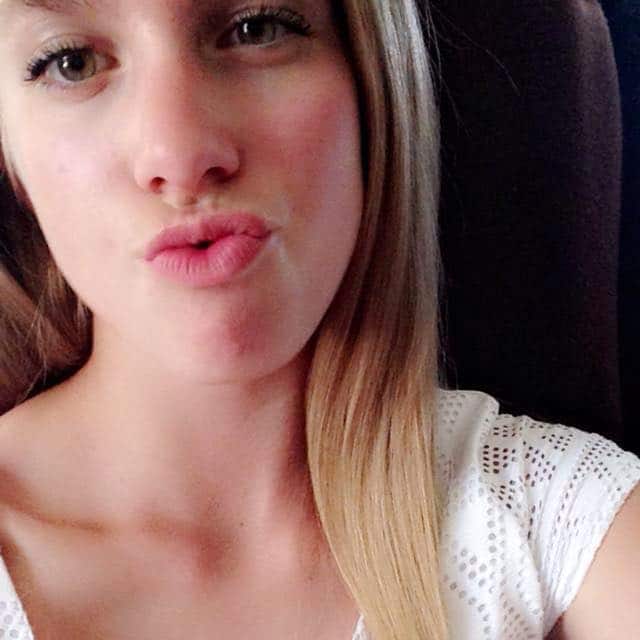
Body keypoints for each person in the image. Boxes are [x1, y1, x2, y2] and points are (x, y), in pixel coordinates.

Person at [0, 1, 637, 639]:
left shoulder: (564, 527)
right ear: (11, 159)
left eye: (256, 29)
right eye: (70, 63)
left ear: (371, 86)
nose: (182, 154)